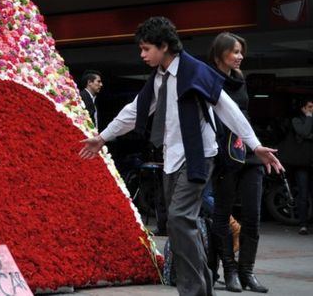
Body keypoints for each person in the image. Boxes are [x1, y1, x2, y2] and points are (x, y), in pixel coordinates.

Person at [80, 17, 283, 296]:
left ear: (164, 46)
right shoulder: (159, 78)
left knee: (178, 219)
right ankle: (204, 287)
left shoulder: (195, 70)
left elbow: (227, 108)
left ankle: (193, 291)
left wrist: (254, 145)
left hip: (198, 156)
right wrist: (102, 137)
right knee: (179, 226)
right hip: (172, 157)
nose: (142, 55)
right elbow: (134, 110)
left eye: (146, 48)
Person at [207, 32, 268, 292]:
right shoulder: (208, 79)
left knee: (253, 215)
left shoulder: (240, 79)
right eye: (234, 51)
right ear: (220, 54)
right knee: (222, 213)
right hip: (224, 155)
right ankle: (229, 272)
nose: (240, 56)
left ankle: (247, 272)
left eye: (241, 51)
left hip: (248, 153)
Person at [292, 99, 313, 235]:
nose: (312, 109)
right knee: (303, 194)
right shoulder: (296, 120)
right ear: (303, 108)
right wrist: (309, 118)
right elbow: (304, 132)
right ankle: (303, 224)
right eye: (310, 107)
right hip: (302, 163)